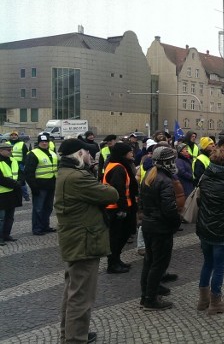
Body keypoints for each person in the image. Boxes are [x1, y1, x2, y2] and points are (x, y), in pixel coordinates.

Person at [55, 138, 118, 344]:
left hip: (76, 239)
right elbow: (111, 194)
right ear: (80, 154)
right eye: (88, 153)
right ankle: (75, 339)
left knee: (73, 291)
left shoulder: (66, 173)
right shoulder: (77, 177)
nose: (92, 157)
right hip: (84, 240)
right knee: (81, 296)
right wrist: (93, 173)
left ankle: (71, 334)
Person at [196, 147, 224, 315]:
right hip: (221, 227)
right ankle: (216, 302)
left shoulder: (205, 177)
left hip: (204, 226)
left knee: (207, 263)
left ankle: (203, 300)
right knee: (219, 267)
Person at [139, 146, 182, 310]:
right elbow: (169, 209)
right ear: (167, 162)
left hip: (149, 225)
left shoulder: (150, 175)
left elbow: (141, 202)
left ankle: (146, 295)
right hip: (160, 228)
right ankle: (151, 299)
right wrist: (175, 223)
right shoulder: (164, 180)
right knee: (159, 264)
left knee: (149, 262)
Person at [102, 142, 138, 274]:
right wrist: (122, 209)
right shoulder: (118, 168)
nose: (132, 153)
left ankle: (116, 259)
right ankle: (113, 263)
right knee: (116, 236)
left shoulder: (120, 165)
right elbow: (119, 190)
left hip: (121, 206)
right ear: (123, 154)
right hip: (116, 208)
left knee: (123, 234)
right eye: (129, 151)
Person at [25, 134, 58, 235]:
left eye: (46, 142)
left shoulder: (53, 153)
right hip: (39, 186)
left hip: (51, 185)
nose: (44, 143)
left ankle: (45, 226)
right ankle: (37, 228)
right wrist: (33, 187)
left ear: (48, 142)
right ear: (38, 143)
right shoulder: (33, 154)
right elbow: (29, 172)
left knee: (48, 207)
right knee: (38, 208)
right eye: (42, 142)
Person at [0, 143, 22, 245]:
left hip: (12, 193)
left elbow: (20, 173)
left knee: (10, 217)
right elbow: (1, 179)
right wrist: (15, 184)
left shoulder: (13, 160)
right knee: (1, 218)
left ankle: (6, 235)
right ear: (1, 151)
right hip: (2, 193)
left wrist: (21, 181)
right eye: (8, 150)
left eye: (11, 150)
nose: (10, 151)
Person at [8, 131, 30, 201]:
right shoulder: (6, 144)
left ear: (17, 136)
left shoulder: (22, 144)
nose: (13, 136)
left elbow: (26, 154)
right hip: (9, 164)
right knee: (10, 179)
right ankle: (12, 195)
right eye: (12, 135)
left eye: (15, 135)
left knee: (22, 180)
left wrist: (23, 163)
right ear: (10, 136)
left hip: (20, 164)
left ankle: (26, 195)